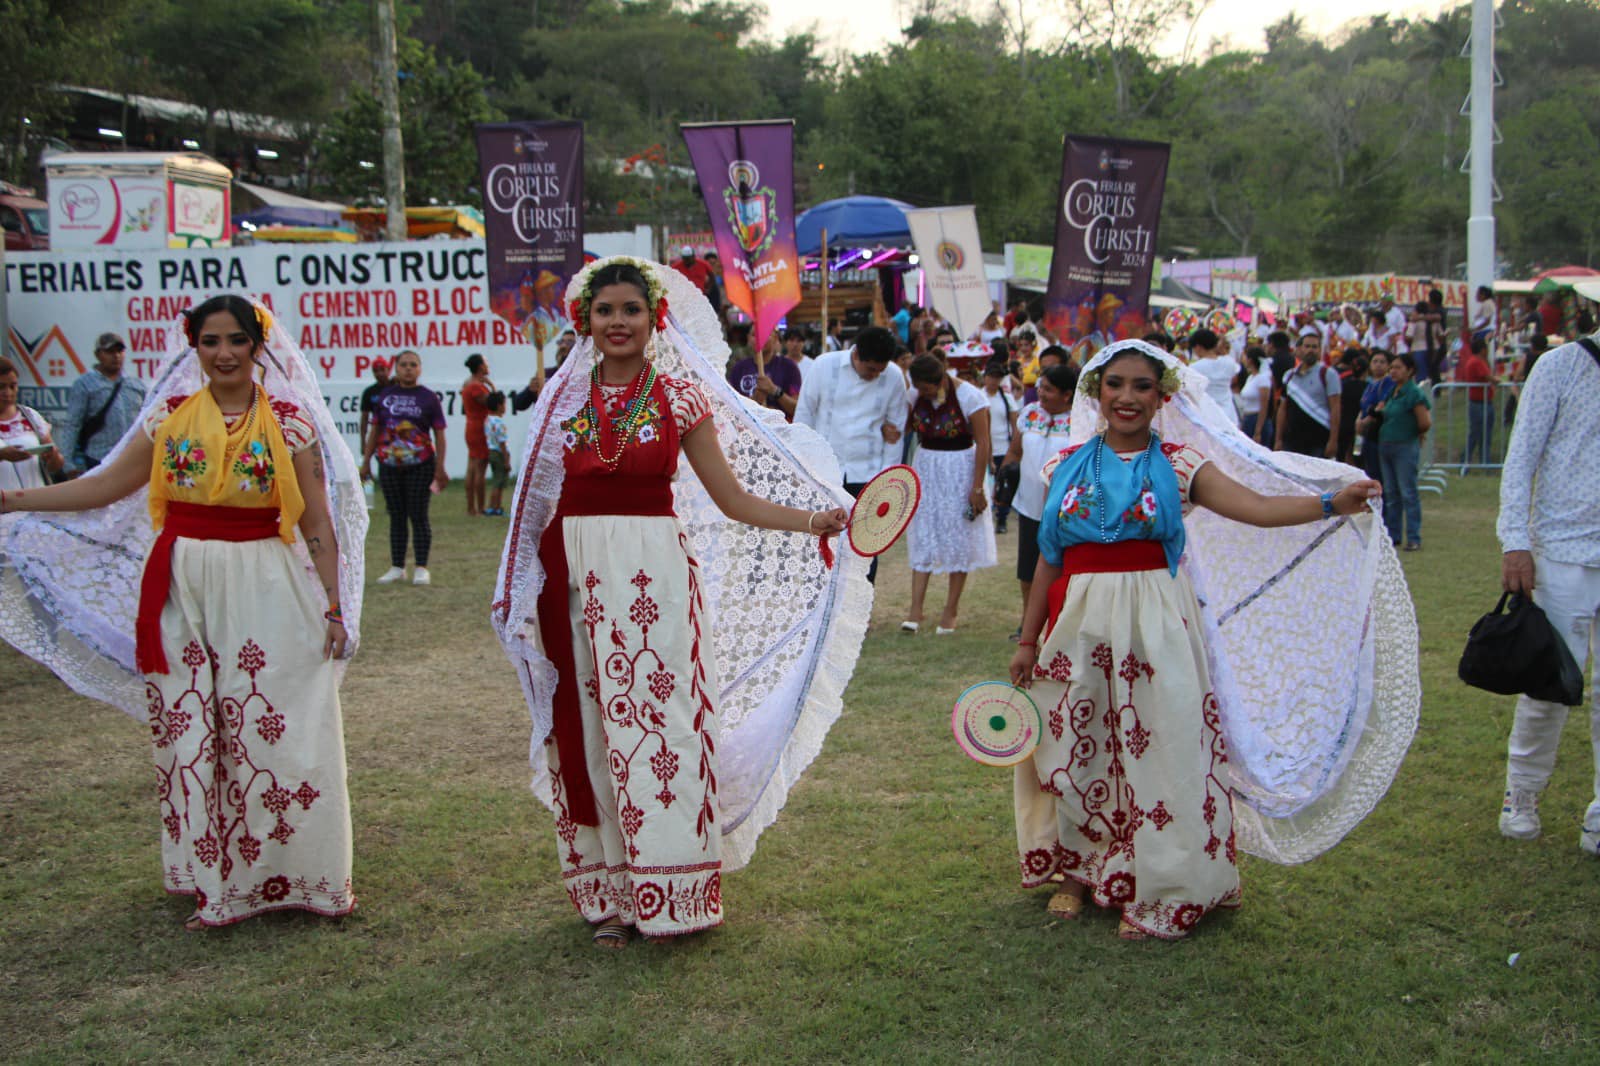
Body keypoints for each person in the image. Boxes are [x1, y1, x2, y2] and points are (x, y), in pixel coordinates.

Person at [490, 256, 866, 947]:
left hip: (654, 579)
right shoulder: (563, 401)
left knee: (663, 729)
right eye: (605, 311)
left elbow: (732, 499)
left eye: (631, 309)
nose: (618, 322)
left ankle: (673, 890)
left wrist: (814, 520)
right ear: (587, 320)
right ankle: (609, 895)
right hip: (572, 579)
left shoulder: (680, 395)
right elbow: (533, 505)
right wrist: (526, 591)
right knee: (591, 728)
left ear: (654, 316)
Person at [0, 294, 366, 930]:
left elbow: (318, 523)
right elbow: (104, 486)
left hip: (269, 581)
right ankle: (217, 881)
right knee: (198, 728)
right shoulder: (166, 419)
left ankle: (307, 875)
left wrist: (335, 606)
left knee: (284, 723)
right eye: (210, 341)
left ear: (258, 346)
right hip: (184, 583)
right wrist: (14, 500)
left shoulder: (290, 421)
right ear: (192, 347)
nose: (224, 353)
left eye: (236, 340)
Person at [1008, 340, 1395, 940]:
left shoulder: (1182, 466)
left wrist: (1328, 503)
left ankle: (1162, 882)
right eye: (1116, 384)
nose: (1128, 397)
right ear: (1097, 392)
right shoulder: (1062, 468)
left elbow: (1257, 508)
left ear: (1162, 398)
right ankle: (1078, 873)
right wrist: (1028, 640)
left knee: (1161, 747)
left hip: (1157, 624)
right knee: (1075, 742)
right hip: (1076, 626)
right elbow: (1046, 562)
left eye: (1142, 386)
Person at [1495, 329, 1600, 852]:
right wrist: (1516, 540)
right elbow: (1520, 460)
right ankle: (1522, 795)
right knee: (1549, 684)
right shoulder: (1560, 366)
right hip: (1561, 551)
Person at [794, 325, 906, 584]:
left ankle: (857, 612)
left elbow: (895, 430)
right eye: (871, 370)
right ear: (856, 355)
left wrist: (886, 480)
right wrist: (801, 465)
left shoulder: (894, 377)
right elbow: (804, 416)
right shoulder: (824, 366)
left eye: (881, 371)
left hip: (867, 473)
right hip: (823, 472)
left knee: (864, 547)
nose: (876, 375)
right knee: (819, 540)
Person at [901, 353, 996, 634]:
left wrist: (977, 486)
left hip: (960, 468)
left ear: (941, 379)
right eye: (919, 388)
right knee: (925, 532)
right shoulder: (913, 395)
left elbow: (983, 441)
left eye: (928, 388)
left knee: (959, 536)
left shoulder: (971, 397)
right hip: (927, 466)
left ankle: (950, 610)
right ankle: (915, 610)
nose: (924, 393)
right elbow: (906, 427)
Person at [999, 362, 1075, 640]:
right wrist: (1003, 480)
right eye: (1040, 387)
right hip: (1028, 505)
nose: (1041, 393)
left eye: (1049, 389)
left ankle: (1059, 624)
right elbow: (1015, 452)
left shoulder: (1080, 421)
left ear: (1067, 394)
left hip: (1065, 510)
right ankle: (1027, 621)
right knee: (1028, 569)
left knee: (1062, 567)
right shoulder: (1030, 414)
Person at [363, 350, 448, 586]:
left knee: (418, 515)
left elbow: (440, 435)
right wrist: (366, 461)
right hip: (389, 464)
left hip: (420, 464)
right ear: (396, 368)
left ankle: (421, 566)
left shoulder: (429, 398)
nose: (408, 368)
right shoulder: (385, 396)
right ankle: (397, 566)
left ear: (420, 369)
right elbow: (375, 430)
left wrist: (440, 467)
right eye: (403, 365)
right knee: (396, 516)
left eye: (413, 364)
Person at [1363, 351, 1430, 550]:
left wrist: (1412, 433)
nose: (1393, 371)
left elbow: (1425, 422)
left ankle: (1413, 536)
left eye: (1398, 367)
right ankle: (1393, 534)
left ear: (1410, 371)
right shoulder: (1392, 391)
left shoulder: (1413, 393)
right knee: (1391, 493)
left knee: (1408, 491)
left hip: (1404, 445)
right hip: (1387, 445)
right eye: (1392, 368)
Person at [55, 331, 148, 473]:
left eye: (119, 351)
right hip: (100, 458)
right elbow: (73, 424)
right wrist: (67, 463)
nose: (116, 356)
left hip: (132, 459)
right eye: (110, 351)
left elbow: (147, 421)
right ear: (98, 355)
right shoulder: (85, 384)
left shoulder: (136, 384)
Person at [0, 357, 64, 489]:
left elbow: (54, 465)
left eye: (13, 386)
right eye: (1, 387)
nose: (8, 393)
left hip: (35, 504)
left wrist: (53, 457)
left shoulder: (30, 416)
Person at [1275, 331, 1342, 458]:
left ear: (1320, 350)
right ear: (1299, 349)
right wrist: (1278, 439)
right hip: (1292, 439)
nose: (1311, 350)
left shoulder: (1328, 374)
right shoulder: (1289, 376)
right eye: (1307, 346)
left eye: (1314, 347)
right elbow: (1282, 409)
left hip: (1319, 440)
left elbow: (1335, 408)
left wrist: (1333, 441)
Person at [726, 330, 802, 419]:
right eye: (754, 334)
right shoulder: (739, 368)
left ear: (775, 338)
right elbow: (730, 408)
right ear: (748, 338)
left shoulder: (789, 367)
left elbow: (797, 409)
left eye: (765, 334)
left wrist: (774, 390)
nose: (758, 338)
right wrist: (754, 402)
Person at [982, 362, 1019, 534]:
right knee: (986, 485)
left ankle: (1002, 519)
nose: (994, 381)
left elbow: (1014, 422)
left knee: (1004, 485)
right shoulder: (980, 396)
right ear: (985, 377)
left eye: (997, 377)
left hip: (1003, 447)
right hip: (984, 447)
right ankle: (986, 518)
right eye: (991, 377)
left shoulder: (1006, 398)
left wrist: (1015, 446)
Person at [461, 354, 496, 516]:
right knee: (480, 468)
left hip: (471, 425)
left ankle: (471, 507)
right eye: (486, 362)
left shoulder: (468, 383)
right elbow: (493, 403)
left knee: (472, 467)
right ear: (481, 366)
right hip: (480, 427)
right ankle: (479, 507)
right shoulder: (476, 386)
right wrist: (492, 386)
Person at [1186, 328, 1240, 426]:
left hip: (1207, 415)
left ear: (1198, 347)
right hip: (1229, 415)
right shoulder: (1229, 362)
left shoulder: (1194, 367)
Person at [1456, 336, 1496, 467]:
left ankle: (1480, 461)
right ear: (1483, 350)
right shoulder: (1476, 362)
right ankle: (1472, 460)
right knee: (1478, 434)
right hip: (1480, 403)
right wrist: (1497, 381)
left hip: (1482, 402)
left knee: (1480, 433)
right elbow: (1488, 376)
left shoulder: (1476, 361)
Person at [1356, 350, 1394, 480]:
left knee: (1378, 473)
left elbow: (1381, 405)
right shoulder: (1370, 384)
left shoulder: (1388, 383)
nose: (1378, 365)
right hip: (1367, 433)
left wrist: (1366, 420)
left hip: (1378, 432)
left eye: (1382, 362)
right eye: (1375, 361)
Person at [1335, 347, 1368, 465]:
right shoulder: (1368, 388)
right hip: (1360, 426)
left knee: (1342, 456)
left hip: (1344, 424)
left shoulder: (1343, 386)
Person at [1235, 346, 1275, 445]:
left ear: (1251, 360)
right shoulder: (1251, 378)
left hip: (1257, 418)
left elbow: (1264, 404)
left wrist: (1258, 431)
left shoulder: (1262, 379)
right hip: (1248, 418)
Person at [484, 390, 510, 517]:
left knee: (496, 479)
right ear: (500, 406)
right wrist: (506, 459)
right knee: (499, 482)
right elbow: (502, 442)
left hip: (490, 451)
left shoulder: (488, 420)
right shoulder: (499, 423)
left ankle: (493, 506)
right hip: (499, 453)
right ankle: (495, 507)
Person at [357, 356, 392, 449]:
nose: (380, 373)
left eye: (382, 369)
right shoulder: (369, 392)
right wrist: (363, 442)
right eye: (376, 371)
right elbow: (364, 418)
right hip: (379, 433)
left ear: (388, 370)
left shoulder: (397, 386)